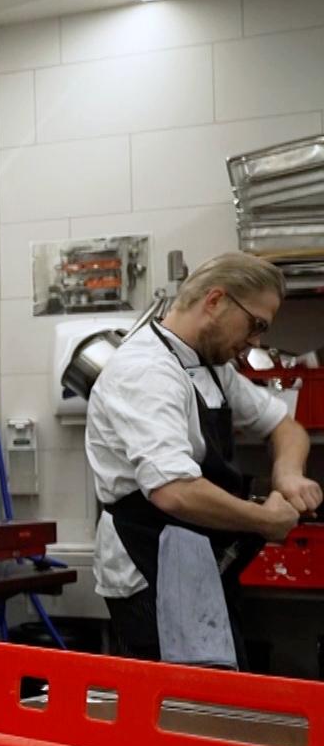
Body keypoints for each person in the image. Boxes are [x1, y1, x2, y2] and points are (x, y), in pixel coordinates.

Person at [86, 253, 320, 669]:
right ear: (214, 301)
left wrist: (288, 473)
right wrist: (262, 520)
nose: (256, 341)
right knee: (181, 709)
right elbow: (174, 492)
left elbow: (285, 426)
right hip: (149, 570)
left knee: (220, 698)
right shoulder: (146, 371)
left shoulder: (211, 366)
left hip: (198, 560)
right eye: (256, 325)